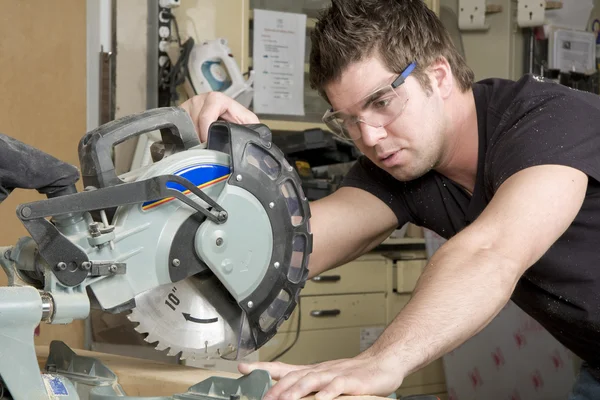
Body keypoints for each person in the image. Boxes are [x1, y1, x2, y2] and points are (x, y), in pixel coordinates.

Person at [181, 0, 600, 399]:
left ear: (438, 76)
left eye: (382, 103)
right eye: (348, 121)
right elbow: (289, 246)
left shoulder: (548, 121)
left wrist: (381, 360)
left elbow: (492, 251)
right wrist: (199, 155)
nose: (370, 138)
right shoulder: (402, 163)